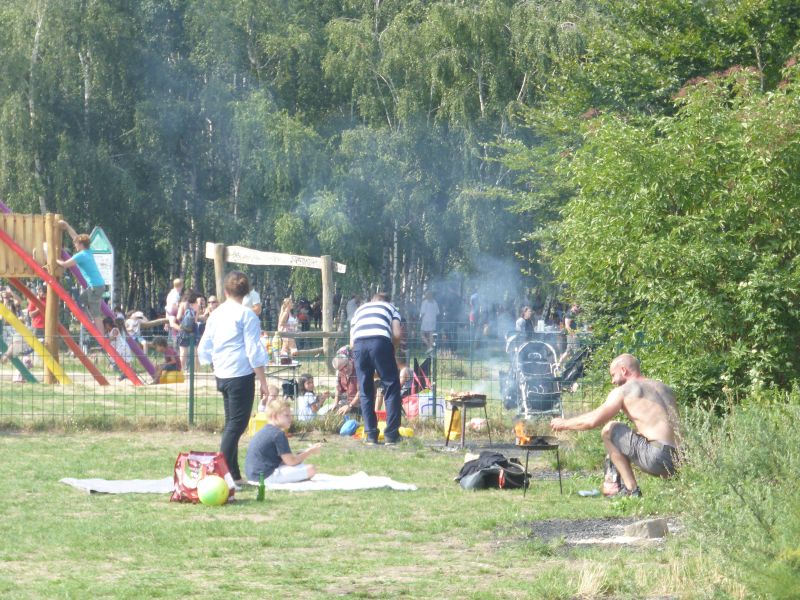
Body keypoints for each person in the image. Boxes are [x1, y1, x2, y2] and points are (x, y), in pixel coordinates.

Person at [550, 354, 680, 497]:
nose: (612, 381)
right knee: (630, 435)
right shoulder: (664, 388)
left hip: (656, 458)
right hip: (681, 459)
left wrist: (564, 423)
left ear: (623, 370)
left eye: (613, 375)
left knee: (610, 429)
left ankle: (632, 490)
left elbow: (593, 421)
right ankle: (615, 484)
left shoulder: (624, 391)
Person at [197, 271, 269, 485]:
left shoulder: (215, 314)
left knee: (232, 424)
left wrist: (214, 365)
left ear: (225, 291)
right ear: (246, 293)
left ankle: (234, 474)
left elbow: (204, 347)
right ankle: (221, 472)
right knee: (236, 425)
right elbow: (253, 351)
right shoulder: (247, 315)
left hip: (222, 374)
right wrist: (263, 382)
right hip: (240, 374)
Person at [350, 292, 403, 445]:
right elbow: (397, 334)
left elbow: (352, 342)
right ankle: (391, 435)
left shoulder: (359, 310)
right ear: (388, 301)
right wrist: (392, 350)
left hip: (359, 346)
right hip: (380, 343)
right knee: (391, 386)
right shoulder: (391, 308)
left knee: (365, 390)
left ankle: (370, 435)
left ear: (372, 301)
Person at [244, 398, 321, 484]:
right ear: (274, 416)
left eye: (291, 415)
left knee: (300, 465)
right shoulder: (278, 434)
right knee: (311, 469)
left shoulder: (265, 430)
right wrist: (309, 452)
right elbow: (291, 461)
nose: (290, 418)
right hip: (266, 476)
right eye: (287, 415)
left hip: (253, 475)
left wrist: (301, 454)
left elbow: (284, 460)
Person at [56, 220, 106, 333]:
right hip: (96, 286)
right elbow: (76, 237)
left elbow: (65, 264)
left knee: (96, 314)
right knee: (79, 302)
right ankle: (90, 323)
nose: (75, 245)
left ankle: (101, 338)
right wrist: (67, 226)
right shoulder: (88, 251)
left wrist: (55, 259)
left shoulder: (81, 255)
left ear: (81, 244)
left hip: (95, 287)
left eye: (76, 244)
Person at [332, 346, 360, 416]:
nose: (345, 369)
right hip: (347, 401)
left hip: (359, 403)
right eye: (341, 369)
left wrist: (350, 406)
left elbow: (361, 393)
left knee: (349, 415)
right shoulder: (340, 373)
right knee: (331, 413)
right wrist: (335, 403)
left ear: (349, 360)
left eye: (346, 366)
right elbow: (338, 389)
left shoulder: (358, 369)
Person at [164, 278, 183, 345]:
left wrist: (166, 321)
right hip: (173, 310)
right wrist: (180, 309)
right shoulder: (175, 294)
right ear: (181, 285)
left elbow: (167, 306)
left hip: (169, 311)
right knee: (173, 324)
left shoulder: (171, 293)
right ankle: (183, 331)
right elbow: (173, 305)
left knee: (173, 328)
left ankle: (176, 341)